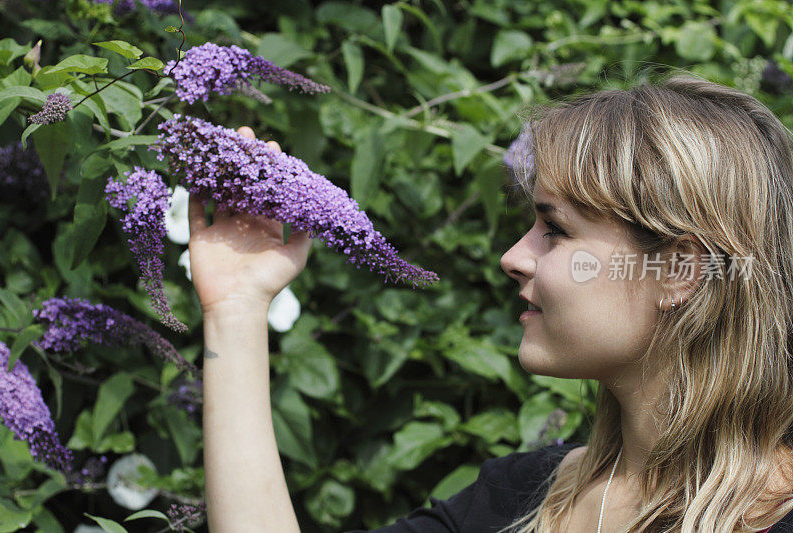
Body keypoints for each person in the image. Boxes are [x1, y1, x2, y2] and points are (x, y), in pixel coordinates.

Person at [190, 72, 793, 532]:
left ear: (680, 269)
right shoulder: (517, 498)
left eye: (555, 229)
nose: (514, 256)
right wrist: (237, 307)